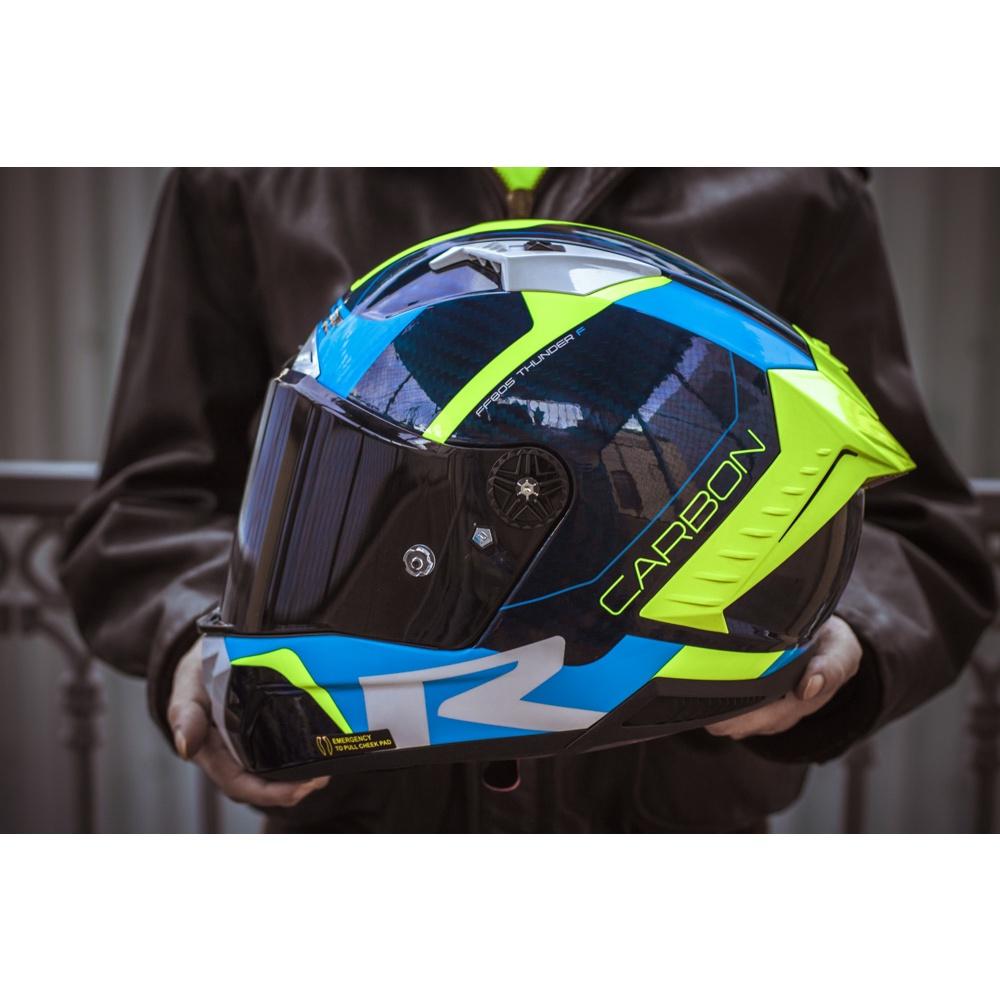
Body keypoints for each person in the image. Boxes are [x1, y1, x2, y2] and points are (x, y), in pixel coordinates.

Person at [58, 168, 997, 832]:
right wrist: (201, 640)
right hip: (366, 823)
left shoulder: (797, 176)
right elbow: (148, 505)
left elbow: (913, 520)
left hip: (666, 823)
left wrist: (835, 626)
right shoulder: (249, 167)